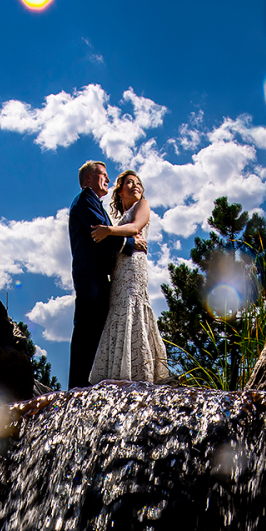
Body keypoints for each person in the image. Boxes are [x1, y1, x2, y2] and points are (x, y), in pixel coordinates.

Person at [87, 170, 170, 384]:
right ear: (120, 191)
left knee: (133, 306)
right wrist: (111, 231)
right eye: (129, 183)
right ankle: (116, 373)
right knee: (118, 310)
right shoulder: (114, 220)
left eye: (138, 183)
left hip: (133, 265)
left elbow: (134, 227)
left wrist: (108, 231)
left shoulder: (142, 206)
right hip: (118, 271)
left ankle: (140, 372)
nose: (136, 186)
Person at [66, 161, 143, 388]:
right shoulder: (84, 199)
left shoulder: (93, 202)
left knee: (97, 328)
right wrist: (131, 243)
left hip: (99, 275)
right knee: (86, 326)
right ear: (88, 178)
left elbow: (106, 233)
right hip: (90, 273)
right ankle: (78, 384)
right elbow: (99, 233)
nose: (108, 180)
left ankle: (89, 381)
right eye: (103, 175)